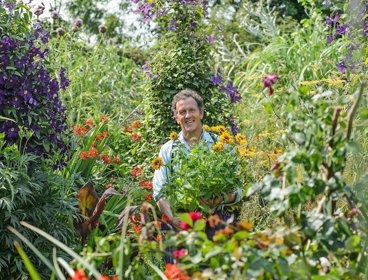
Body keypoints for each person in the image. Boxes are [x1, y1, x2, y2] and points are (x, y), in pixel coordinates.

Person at [153, 88, 242, 234]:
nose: (187, 115)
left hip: (214, 221)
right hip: (181, 222)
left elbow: (239, 187)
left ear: (201, 113)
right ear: (176, 118)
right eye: (182, 112)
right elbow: (159, 191)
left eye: (192, 110)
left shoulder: (221, 145)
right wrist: (172, 218)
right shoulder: (167, 150)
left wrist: (222, 198)